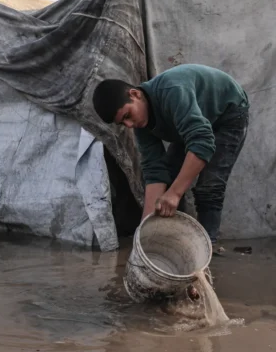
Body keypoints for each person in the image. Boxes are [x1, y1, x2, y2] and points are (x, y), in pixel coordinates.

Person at [92, 63, 250, 243]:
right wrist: (144, 234)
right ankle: (174, 242)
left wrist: (174, 193)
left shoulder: (172, 90)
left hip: (228, 113)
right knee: (171, 177)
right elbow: (154, 171)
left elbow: (202, 142)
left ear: (135, 94)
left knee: (209, 186)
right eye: (122, 123)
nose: (129, 125)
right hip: (196, 124)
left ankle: (206, 249)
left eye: (127, 116)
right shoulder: (141, 125)